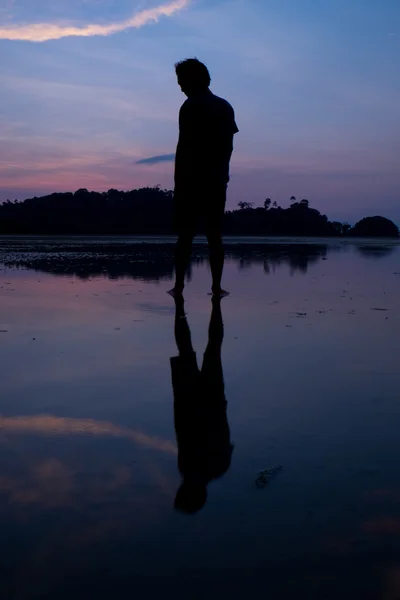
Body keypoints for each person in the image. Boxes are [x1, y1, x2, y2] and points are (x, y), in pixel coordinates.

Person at [168, 58, 239, 297]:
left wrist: (179, 183)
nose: (180, 86)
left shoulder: (190, 107)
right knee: (214, 235)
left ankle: (179, 286)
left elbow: (184, 148)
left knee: (185, 236)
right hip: (216, 180)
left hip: (191, 180)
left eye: (181, 81)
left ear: (193, 79)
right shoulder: (224, 106)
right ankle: (216, 287)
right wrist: (223, 175)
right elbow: (228, 147)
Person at [170, 295, 233, 514]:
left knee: (207, 349)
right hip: (198, 403)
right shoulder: (198, 468)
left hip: (203, 402)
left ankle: (205, 305)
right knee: (203, 349)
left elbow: (184, 432)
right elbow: (183, 432)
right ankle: (210, 304)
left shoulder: (217, 468)